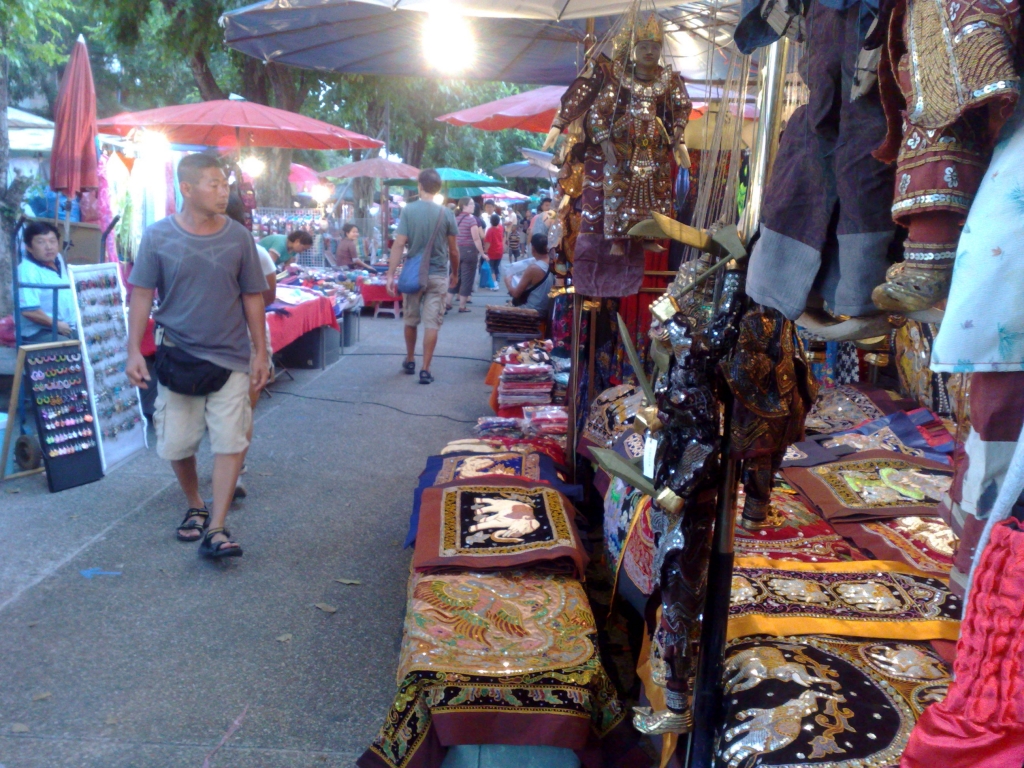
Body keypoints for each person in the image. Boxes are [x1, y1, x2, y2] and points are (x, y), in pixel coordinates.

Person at [126, 153, 270, 560]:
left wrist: (260, 352)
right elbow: (141, 294)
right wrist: (133, 349)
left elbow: (252, 297)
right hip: (178, 356)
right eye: (213, 184)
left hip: (231, 358)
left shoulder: (239, 236)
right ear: (186, 189)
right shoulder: (157, 236)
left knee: (230, 441)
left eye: (225, 184)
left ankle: (218, 526)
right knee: (177, 443)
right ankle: (195, 503)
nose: (224, 192)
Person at [225, 194, 277, 500]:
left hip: (227, 335)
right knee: (242, 409)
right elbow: (268, 298)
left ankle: (233, 470)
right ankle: (235, 468)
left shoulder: (256, 253)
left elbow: (267, 297)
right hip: (244, 333)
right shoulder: (258, 253)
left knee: (234, 409)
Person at [386, 169, 459, 385]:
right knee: (432, 323)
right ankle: (425, 369)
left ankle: (410, 360)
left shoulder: (408, 210)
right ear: (438, 188)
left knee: (410, 319)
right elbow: (454, 250)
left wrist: (391, 274)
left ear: (420, 186)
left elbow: (399, 244)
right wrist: (455, 273)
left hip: (413, 275)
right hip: (437, 275)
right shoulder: (447, 214)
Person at [17, 221, 78, 343]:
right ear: (29, 247)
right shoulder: (27, 270)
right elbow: (29, 311)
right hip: (40, 331)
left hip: (67, 326)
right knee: (69, 350)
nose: (49, 247)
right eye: (41, 242)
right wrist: (56, 324)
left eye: (52, 241)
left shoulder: (58, 259)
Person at [448, 197, 486, 313]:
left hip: (455, 251)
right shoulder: (471, 219)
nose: (473, 206)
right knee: (467, 279)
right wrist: (483, 253)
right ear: (464, 206)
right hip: (469, 252)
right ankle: (462, 306)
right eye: (471, 204)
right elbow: (476, 238)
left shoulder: (455, 218)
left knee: (454, 277)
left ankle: (447, 303)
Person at [505, 233, 555, 315]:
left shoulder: (533, 269)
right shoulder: (553, 262)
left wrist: (508, 282)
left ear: (533, 249)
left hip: (532, 311)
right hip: (548, 309)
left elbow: (515, 294)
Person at [483, 213, 505, 288]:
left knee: (491, 268)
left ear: (491, 221)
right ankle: (496, 280)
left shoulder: (490, 230)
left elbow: (488, 243)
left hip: (492, 252)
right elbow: (503, 237)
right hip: (500, 251)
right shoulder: (501, 228)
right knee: (496, 267)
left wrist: (485, 251)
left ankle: (494, 283)